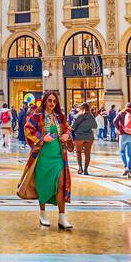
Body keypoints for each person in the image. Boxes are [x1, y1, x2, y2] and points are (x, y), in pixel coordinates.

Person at [25, 90, 73, 229]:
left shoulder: (60, 117)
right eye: (50, 100)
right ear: (45, 101)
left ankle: (62, 217)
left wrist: (67, 136)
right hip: (42, 157)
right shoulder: (37, 116)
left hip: (58, 156)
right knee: (43, 185)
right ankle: (43, 214)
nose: (52, 103)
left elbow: (68, 130)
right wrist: (41, 137)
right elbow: (28, 130)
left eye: (54, 101)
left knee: (61, 184)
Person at [72, 101, 98, 175]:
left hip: (79, 137)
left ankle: (80, 168)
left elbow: (73, 127)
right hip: (89, 137)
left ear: (81, 108)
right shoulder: (91, 116)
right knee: (87, 153)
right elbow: (95, 126)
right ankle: (86, 170)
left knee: (78, 152)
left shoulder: (77, 116)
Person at [116, 101, 131, 176]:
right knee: (130, 153)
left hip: (122, 135)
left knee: (122, 151)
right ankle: (130, 172)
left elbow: (114, 121)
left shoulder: (122, 112)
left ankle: (126, 167)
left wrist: (119, 128)